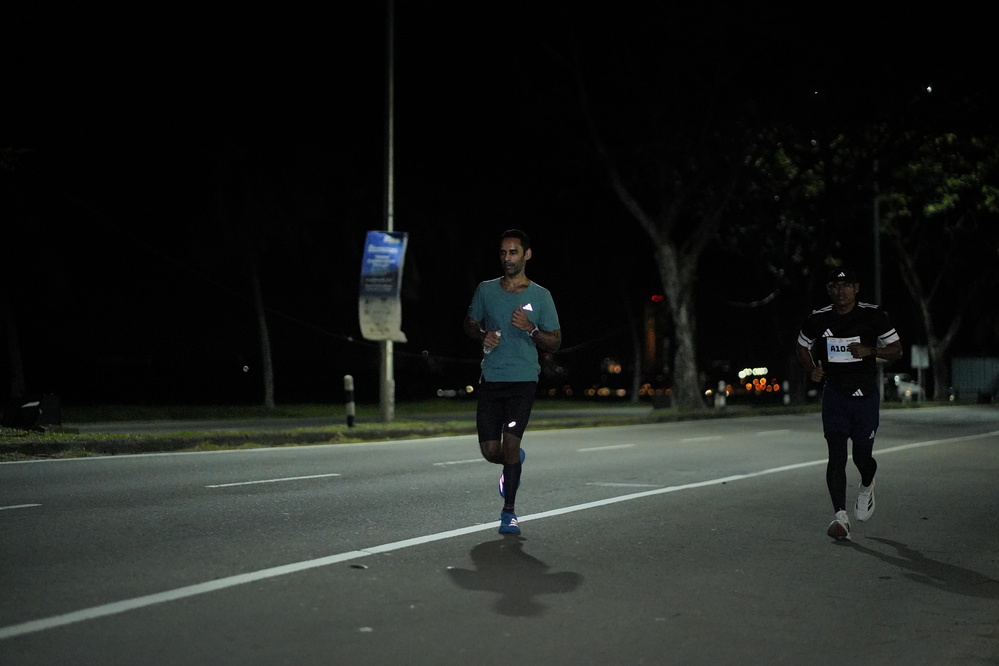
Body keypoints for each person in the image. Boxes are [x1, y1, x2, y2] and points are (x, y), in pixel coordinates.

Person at [464, 229, 561, 535]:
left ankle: (509, 513)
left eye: (513, 252)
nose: (507, 258)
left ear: (526, 255)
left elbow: (555, 341)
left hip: (523, 380)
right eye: (503, 253)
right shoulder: (486, 290)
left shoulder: (541, 296)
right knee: (491, 451)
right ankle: (513, 461)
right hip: (492, 378)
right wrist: (483, 335)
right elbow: (470, 324)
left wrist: (531, 329)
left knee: (510, 443)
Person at [795, 266, 902, 541]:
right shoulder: (818, 318)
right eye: (835, 286)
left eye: (846, 285)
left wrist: (871, 350)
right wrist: (811, 369)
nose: (841, 291)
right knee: (837, 455)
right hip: (835, 394)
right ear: (829, 290)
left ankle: (867, 484)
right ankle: (840, 517)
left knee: (862, 457)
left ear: (856, 288)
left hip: (865, 395)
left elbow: (896, 350)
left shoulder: (873, 315)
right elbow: (802, 345)